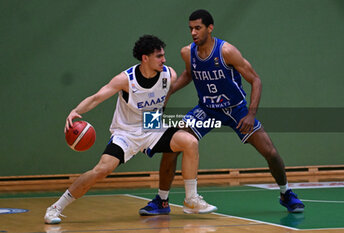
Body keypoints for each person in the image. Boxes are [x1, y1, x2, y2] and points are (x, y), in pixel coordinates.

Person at [139, 10, 305, 215]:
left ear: (210, 28)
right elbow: (189, 75)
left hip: (236, 110)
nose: (193, 32)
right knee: (172, 146)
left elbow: (256, 80)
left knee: (270, 151)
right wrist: (168, 91)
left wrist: (251, 114)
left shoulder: (227, 51)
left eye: (198, 28)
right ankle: (162, 201)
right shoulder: (187, 52)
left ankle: (286, 192)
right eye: (190, 28)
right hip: (206, 110)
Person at [44, 35, 217, 224]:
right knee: (102, 170)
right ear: (145, 58)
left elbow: (163, 98)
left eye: (163, 55)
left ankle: (191, 200)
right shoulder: (125, 79)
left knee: (190, 142)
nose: (164, 60)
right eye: (159, 56)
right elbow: (97, 97)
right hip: (126, 132)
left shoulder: (169, 75)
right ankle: (55, 208)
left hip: (152, 126)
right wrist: (76, 111)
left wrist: (157, 119)